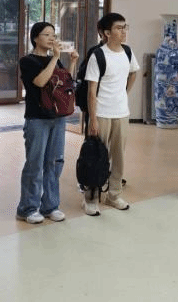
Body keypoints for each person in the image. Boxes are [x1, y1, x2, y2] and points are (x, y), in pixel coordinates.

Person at [16, 22, 78, 224]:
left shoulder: (54, 60)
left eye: (53, 35)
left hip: (57, 118)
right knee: (35, 163)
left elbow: (65, 84)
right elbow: (41, 82)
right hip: (37, 118)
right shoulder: (27, 61)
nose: (52, 38)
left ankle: (50, 206)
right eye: (47, 35)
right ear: (35, 38)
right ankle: (27, 208)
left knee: (54, 162)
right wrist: (56, 58)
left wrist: (72, 63)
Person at [84, 12, 140, 216]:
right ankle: (91, 198)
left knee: (119, 157)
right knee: (97, 157)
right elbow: (91, 91)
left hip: (122, 113)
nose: (124, 31)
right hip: (102, 113)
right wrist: (93, 119)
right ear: (107, 33)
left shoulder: (127, 52)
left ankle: (114, 195)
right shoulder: (98, 55)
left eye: (125, 27)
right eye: (119, 28)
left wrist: (124, 93)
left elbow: (133, 72)